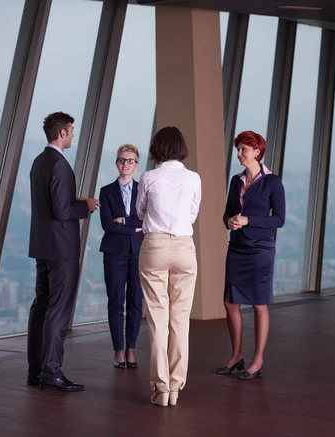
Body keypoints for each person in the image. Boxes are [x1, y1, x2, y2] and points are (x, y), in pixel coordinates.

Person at [27, 111, 99, 391]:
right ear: (62, 133)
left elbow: (50, 204)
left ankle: (36, 371)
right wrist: (87, 206)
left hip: (43, 246)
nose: (73, 135)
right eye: (71, 130)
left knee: (41, 307)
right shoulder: (59, 165)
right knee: (58, 310)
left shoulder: (38, 162)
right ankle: (52, 372)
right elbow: (63, 210)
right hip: (62, 249)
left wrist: (74, 200)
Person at [136, 126, 201, 407]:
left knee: (158, 321)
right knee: (180, 321)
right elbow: (193, 213)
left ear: (157, 148)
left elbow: (140, 211)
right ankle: (176, 388)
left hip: (155, 247)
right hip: (185, 247)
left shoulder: (149, 177)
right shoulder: (193, 178)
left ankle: (160, 389)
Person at [216, 130, 285, 380]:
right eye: (238, 149)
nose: (239, 154)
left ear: (257, 152)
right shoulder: (236, 181)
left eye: (243, 149)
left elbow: (279, 219)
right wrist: (231, 221)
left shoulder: (272, 182)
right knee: (230, 302)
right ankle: (236, 356)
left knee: (258, 304)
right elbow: (226, 213)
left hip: (260, 250)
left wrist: (248, 220)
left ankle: (257, 360)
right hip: (236, 247)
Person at [98, 144, 144, 369]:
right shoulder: (106, 191)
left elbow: (147, 222)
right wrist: (133, 227)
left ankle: (131, 349)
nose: (125, 164)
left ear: (137, 165)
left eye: (130, 160)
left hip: (138, 252)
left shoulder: (143, 190)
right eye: (121, 160)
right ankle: (118, 349)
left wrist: (125, 221)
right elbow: (107, 225)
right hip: (114, 252)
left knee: (136, 302)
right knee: (116, 301)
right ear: (117, 163)